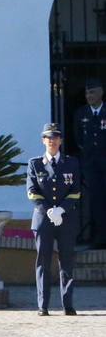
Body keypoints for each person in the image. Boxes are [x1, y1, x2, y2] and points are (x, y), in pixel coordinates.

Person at [27, 123, 80, 317]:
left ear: (61, 140)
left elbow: (75, 191)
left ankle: (68, 305)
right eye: (49, 137)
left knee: (67, 261)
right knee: (43, 261)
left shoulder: (71, 163)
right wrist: (50, 210)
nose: (52, 140)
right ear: (43, 140)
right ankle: (43, 305)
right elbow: (32, 192)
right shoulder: (35, 164)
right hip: (43, 219)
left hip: (66, 219)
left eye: (56, 137)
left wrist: (61, 210)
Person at [71, 79, 106, 247]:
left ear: (101, 93)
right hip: (91, 164)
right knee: (96, 201)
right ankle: (99, 238)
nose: (89, 96)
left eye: (92, 92)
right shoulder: (81, 114)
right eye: (87, 93)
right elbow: (78, 138)